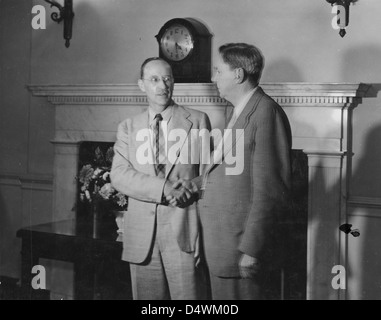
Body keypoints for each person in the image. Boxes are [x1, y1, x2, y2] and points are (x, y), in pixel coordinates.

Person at [110, 57, 211, 300]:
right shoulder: (128, 127)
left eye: (167, 79)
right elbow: (119, 175)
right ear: (141, 85)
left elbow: (210, 176)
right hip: (141, 236)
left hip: (184, 231)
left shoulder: (197, 120)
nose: (162, 86)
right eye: (154, 79)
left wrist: (202, 233)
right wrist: (165, 188)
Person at [197, 43, 292, 299]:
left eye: (218, 71)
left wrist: (252, 250)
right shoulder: (238, 112)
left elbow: (271, 191)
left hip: (241, 252)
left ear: (238, 74)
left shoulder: (265, 112)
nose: (213, 77)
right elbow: (226, 174)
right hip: (223, 248)